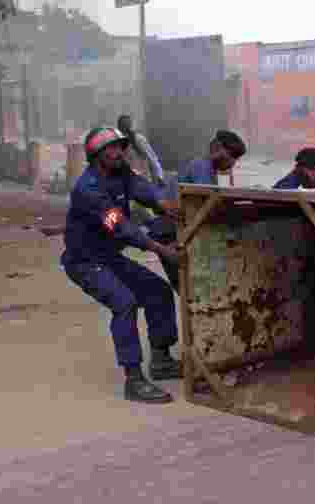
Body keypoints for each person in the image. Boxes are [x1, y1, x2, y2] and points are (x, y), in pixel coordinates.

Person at [61, 126, 183, 404]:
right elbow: (122, 228)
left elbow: (143, 189)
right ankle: (134, 379)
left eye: (121, 147)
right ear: (96, 155)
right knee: (124, 302)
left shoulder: (121, 173)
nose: (119, 152)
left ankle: (161, 360)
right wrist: (161, 249)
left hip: (109, 257)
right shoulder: (88, 190)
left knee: (158, 292)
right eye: (111, 149)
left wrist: (165, 203)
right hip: (85, 262)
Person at [146, 129, 248, 292]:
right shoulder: (201, 167)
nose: (233, 163)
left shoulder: (206, 169)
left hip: (174, 232)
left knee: (192, 290)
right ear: (219, 150)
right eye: (232, 156)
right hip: (170, 234)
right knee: (191, 291)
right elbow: (207, 205)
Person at [117, 114, 166, 186]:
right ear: (119, 127)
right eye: (123, 125)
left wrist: (159, 175)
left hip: (142, 180)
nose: (125, 128)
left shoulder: (139, 139)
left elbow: (152, 158)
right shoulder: (117, 142)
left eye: (127, 125)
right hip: (127, 182)